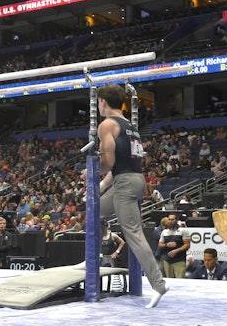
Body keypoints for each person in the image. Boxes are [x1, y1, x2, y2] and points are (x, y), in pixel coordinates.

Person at [89, 84, 168, 308]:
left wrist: (93, 168)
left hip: (125, 184)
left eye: (98, 103)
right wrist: (99, 187)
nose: (98, 107)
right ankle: (91, 259)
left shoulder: (107, 125)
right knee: (93, 211)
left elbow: (108, 164)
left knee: (134, 235)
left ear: (102, 102)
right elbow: (120, 166)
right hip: (132, 179)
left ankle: (158, 284)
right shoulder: (129, 125)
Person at [158, 212, 191, 279]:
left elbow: (187, 244)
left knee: (180, 281)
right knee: (169, 281)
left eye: (172, 219)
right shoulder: (164, 232)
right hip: (167, 261)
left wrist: (176, 251)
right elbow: (160, 245)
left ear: (176, 220)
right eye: (169, 219)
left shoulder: (183, 231)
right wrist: (166, 245)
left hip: (179, 260)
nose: (170, 221)